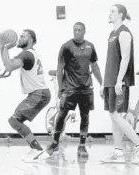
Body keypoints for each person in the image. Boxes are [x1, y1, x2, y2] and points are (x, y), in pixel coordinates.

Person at [27, 22, 103, 162]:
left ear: (84, 31)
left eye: (80, 30)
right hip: (70, 88)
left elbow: (95, 66)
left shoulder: (90, 46)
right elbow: (60, 69)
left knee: (85, 117)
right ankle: (55, 143)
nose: (77, 32)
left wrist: (102, 83)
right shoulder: (66, 47)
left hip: (86, 89)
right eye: (75, 30)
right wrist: (61, 89)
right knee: (61, 115)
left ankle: (82, 146)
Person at [100, 4, 139, 163]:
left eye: (113, 11)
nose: (110, 13)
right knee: (114, 116)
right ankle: (118, 152)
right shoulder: (112, 34)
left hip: (118, 81)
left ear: (121, 14)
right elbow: (110, 60)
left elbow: (125, 58)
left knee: (116, 115)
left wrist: (119, 80)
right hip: (109, 81)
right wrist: (104, 83)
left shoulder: (124, 33)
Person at [0, 29, 51, 160]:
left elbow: (9, 66)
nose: (19, 37)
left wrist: (4, 47)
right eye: (20, 36)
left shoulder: (27, 55)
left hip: (39, 94)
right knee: (15, 120)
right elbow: (8, 65)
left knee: (14, 120)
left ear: (31, 40)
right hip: (39, 94)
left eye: (23, 36)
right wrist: (3, 49)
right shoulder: (28, 54)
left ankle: (37, 150)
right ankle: (36, 149)